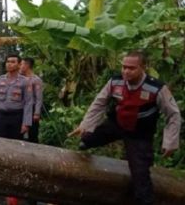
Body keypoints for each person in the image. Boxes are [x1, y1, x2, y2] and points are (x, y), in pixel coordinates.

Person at [69, 51, 181, 205]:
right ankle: (87, 140)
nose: (126, 71)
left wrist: (170, 142)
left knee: (140, 176)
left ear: (143, 67)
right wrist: (85, 125)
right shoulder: (115, 81)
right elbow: (99, 103)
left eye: (131, 68)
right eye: (124, 67)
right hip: (117, 124)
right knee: (87, 138)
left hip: (139, 134)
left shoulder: (156, 88)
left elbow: (173, 114)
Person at [0, 54, 33, 140]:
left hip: (17, 117)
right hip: (1, 117)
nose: (9, 64)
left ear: (19, 65)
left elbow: (28, 103)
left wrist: (26, 123)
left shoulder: (25, 81)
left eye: (13, 62)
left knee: (16, 144)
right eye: (8, 61)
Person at [20, 57, 43, 143]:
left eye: (21, 64)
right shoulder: (20, 79)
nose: (20, 66)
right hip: (21, 107)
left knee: (33, 133)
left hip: (32, 109)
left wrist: (36, 113)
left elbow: (39, 98)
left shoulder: (36, 80)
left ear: (27, 65)